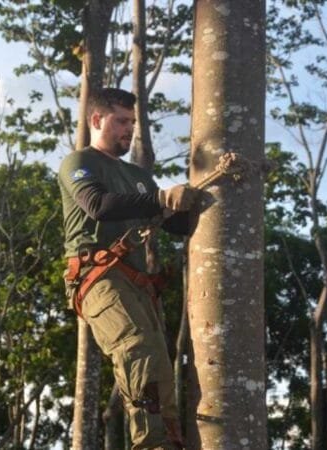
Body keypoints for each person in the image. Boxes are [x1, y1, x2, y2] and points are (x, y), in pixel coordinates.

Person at [58, 88, 198, 449]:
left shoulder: (139, 176)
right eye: (121, 121)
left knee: (161, 367)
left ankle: (169, 441)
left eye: (132, 123)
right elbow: (99, 205)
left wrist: (197, 199)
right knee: (136, 347)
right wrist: (160, 197)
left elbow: (178, 225)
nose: (128, 130)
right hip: (97, 278)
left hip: (136, 283)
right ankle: (150, 444)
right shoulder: (79, 163)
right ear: (96, 120)